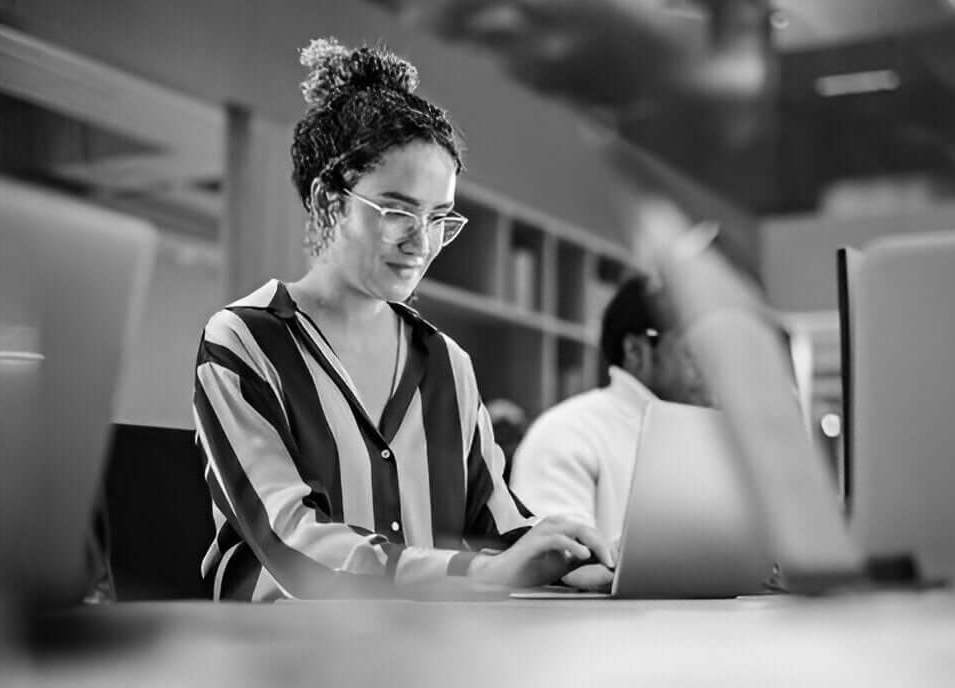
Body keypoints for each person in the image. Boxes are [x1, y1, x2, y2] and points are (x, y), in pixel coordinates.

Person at [193, 37, 611, 601]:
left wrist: (566, 552)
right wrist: (482, 574)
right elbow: (292, 544)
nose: (421, 242)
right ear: (328, 202)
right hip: (282, 653)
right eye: (397, 211)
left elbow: (497, 524)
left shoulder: (445, 362)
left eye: (438, 217)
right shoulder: (244, 341)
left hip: (422, 644)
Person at [509, 275, 710, 549]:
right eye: (696, 350)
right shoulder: (566, 432)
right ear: (636, 351)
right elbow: (556, 562)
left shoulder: (717, 438)